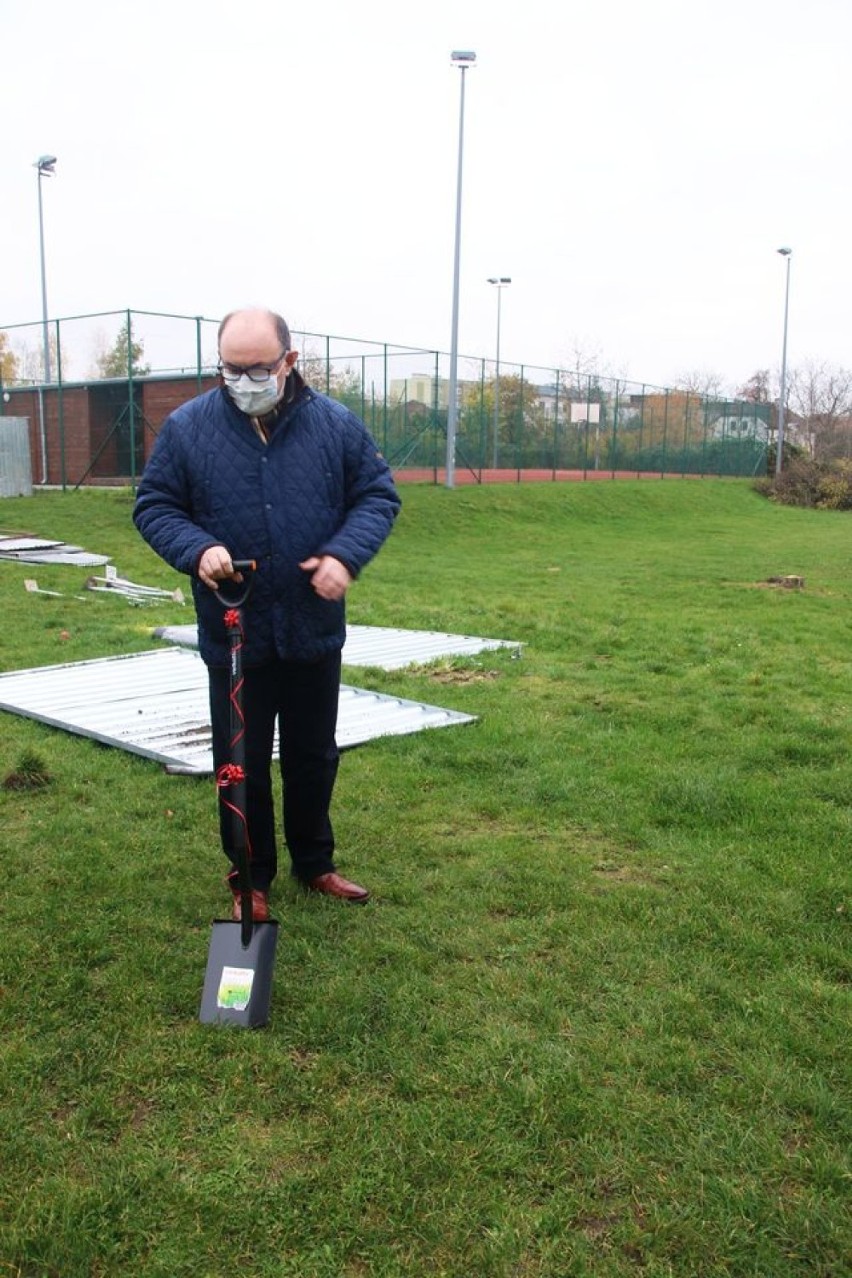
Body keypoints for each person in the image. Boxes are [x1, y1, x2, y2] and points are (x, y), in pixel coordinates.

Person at [133, 307, 400, 920]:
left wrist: (344, 555)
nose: (245, 379)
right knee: (241, 764)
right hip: (236, 636)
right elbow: (155, 506)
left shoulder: (335, 425)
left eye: (258, 368)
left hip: (311, 630)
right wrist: (196, 549)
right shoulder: (188, 429)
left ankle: (316, 863)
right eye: (232, 368)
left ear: (290, 361)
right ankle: (250, 878)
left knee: (314, 754)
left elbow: (377, 495)